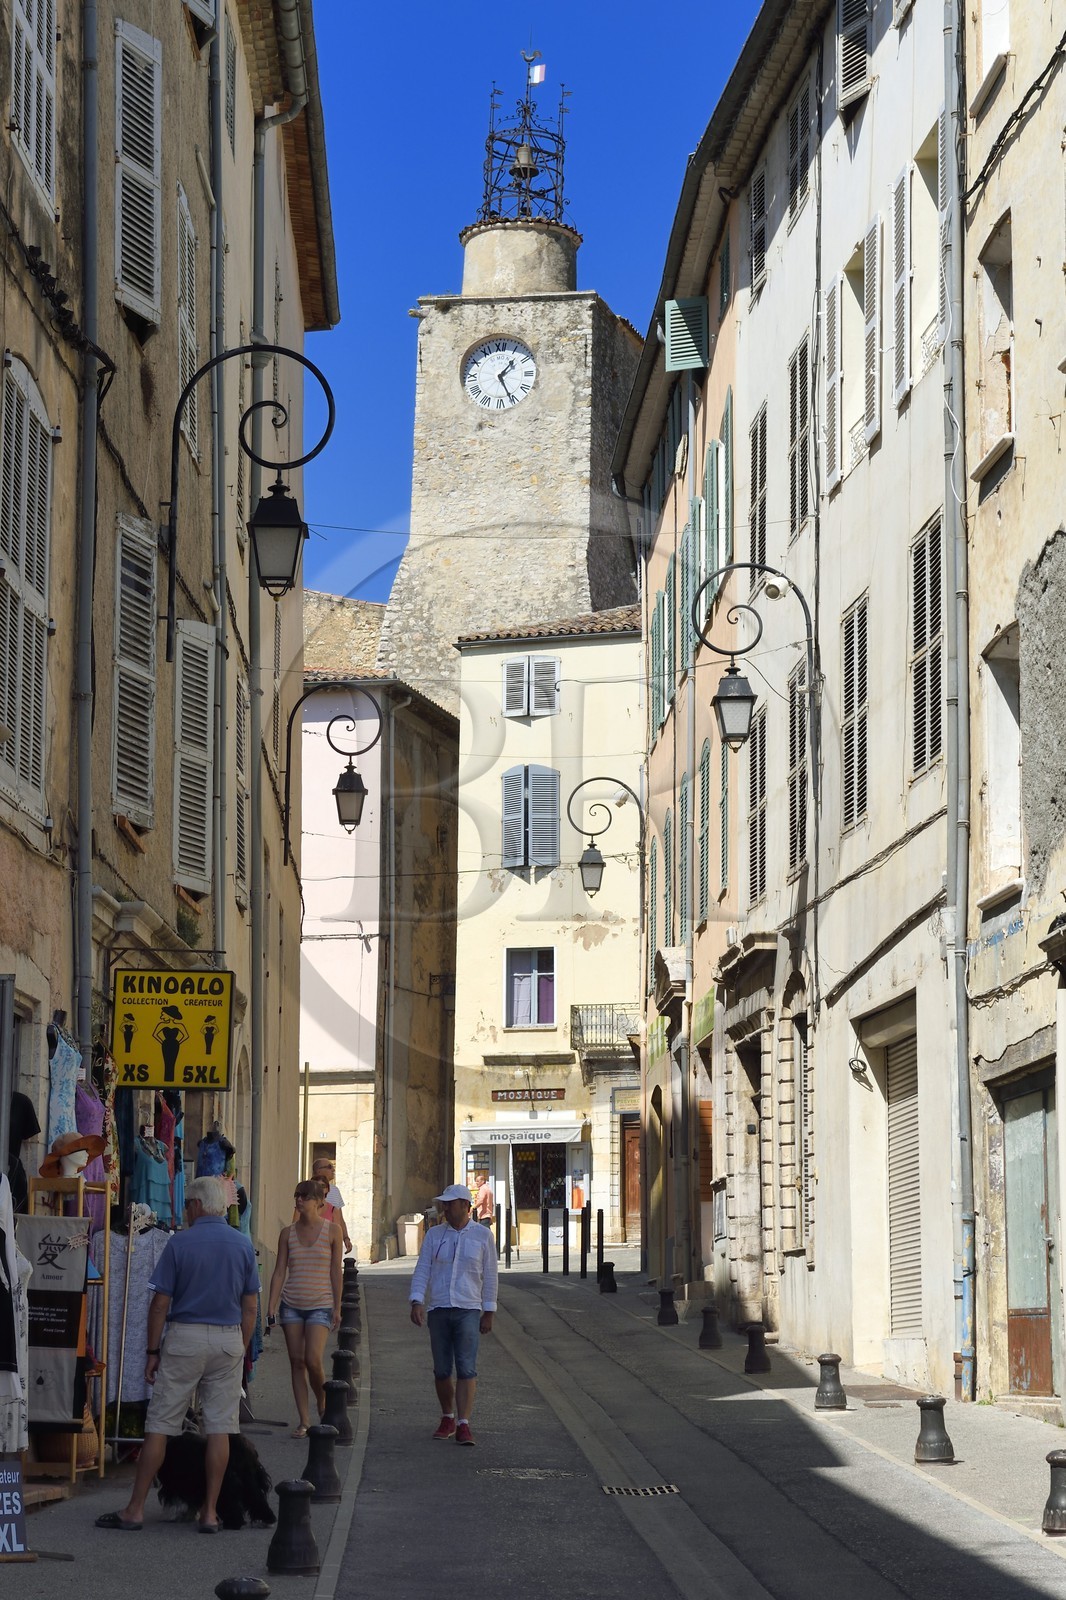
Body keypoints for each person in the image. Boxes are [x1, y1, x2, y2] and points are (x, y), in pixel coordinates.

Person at [95, 1176, 258, 1532]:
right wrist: (240, 1347)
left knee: (160, 1426)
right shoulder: (241, 1245)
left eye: (187, 1205)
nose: (185, 1210)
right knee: (219, 1428)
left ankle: (135, 1509)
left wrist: (152, 1351)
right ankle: (211, 1513)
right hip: (228, 1339)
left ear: (197, 1205)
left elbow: (160, 1304)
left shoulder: (180, 1244)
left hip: (185, 1338)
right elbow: (250, 1306)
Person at [409, 1182, 497, 1447]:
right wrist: (416, 1300)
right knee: (442, 1369)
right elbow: (423, 1267)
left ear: (465, 1206)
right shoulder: (435, 1235)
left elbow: (490, 1274)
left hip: (468, 1309)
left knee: (467, 1367)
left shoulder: (482, 1236)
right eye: (444, 1204)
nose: (445, 1208)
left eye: (450, 1204)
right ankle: (448, 1416)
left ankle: (464, 1423)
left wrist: (489, 1310)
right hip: (439, 1308)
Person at [268, 1179, 343, 1437]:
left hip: (320, 1303)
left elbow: (336, 1270)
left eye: (305, 1196)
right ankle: (304, 1420)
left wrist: (337, 1306)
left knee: (313, 1358)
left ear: (319, 1202)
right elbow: (279, 1272)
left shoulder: (332, 1231)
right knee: (296, 1361)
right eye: (297, 1195)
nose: (299, 1200)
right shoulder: (287, 1234)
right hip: (291, 1305)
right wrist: (271, 1306)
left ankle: (322, 1401)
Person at [311, 1157, 352, 1253]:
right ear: (319, 1171)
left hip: (330, 1241)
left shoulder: (335, 1190)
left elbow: (340, 1218)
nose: (333, 1169)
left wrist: (346, 1238)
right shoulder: (307, 1188)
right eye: (329, 1167)